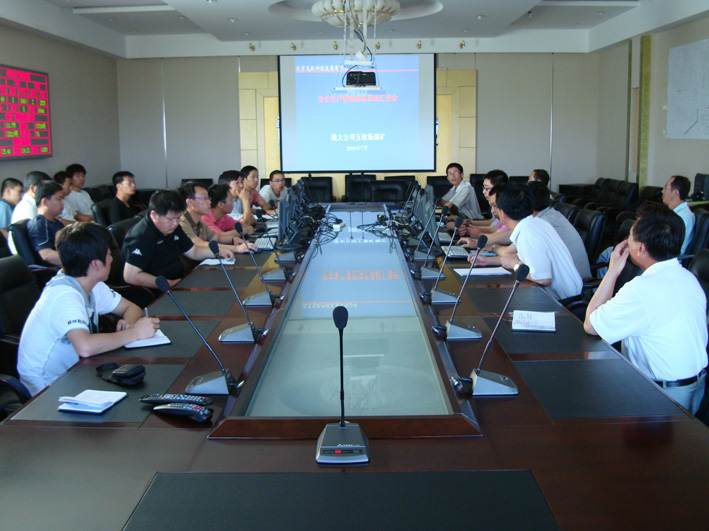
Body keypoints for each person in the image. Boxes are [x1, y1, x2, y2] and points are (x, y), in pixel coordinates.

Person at [584, 209, 707, 414]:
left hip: (663, 396)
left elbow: (591, 325)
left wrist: (613, 270)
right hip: (695, 389)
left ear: (640, 248)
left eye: (630, 236)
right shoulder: (689, 278)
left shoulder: (642, 288)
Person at [17, 222, 160, 396]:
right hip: (46, 387)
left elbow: (131, 308)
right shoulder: (64, 295)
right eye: (108, 254)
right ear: (96, 264)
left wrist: (128, 325)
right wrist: (135, 333)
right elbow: (85, 347)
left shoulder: (89, 282)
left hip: (76, 372)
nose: (112, 259)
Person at [472, 183, 582, 300]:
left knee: (499, 296)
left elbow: (542, 278)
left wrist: (514, 265)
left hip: (564, 302)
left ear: (502, 213)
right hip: (569, 295)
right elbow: (521, 257)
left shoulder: (528, 234)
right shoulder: (535, 223)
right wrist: (487, 261)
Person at [121, 189, 234, 289]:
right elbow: (131, 276)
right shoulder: (141, 236)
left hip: (179, 281)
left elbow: (193, 251)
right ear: (154, 215)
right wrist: (169, 284)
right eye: (170, 219)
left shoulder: (173, 227)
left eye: (179, 217)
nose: (175, 223)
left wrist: (217, 253)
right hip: (157, 290)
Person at [529, 181, 592, 279]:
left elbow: (516, 251)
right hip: (573, 278)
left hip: (574, 283)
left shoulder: (542, 223)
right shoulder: (551, 214)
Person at [178, 182, 253, 255]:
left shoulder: (200, 223)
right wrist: (236, 248)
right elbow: (200, 244)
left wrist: (233, 239)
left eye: (208, 198)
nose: (209, 202)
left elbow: (217, 237)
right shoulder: (182, 223)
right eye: (205, 198)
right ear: (190, 202)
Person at [9, 171, 51, 253]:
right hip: (27, 255)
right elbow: (37, 238)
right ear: (33, 189)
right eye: (44, 188)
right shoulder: (28, 208)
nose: (47, 192)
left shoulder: (32, 204)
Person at [26, 181, 65, 267]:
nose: (63, 203)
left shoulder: (56, 222)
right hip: (58, 270)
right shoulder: (39, 224)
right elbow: (46, 255)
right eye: (59, 199)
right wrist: (77, 260)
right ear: (45, 202)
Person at [661, 174, 694, 253]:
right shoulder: (677, 213)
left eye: (666, 188)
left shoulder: (682, 216)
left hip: (670, 256)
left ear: (676, 192)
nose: (662, 191)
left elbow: (669, 245)